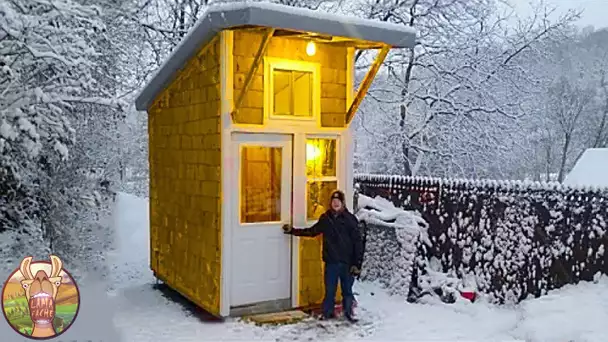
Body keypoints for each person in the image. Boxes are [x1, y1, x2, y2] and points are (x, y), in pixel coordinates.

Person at [282, 190, 363, 322]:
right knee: (329, 291)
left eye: (338, 201)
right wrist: (292, 231)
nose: (335, 203)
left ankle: (349, 313)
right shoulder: (326, 219)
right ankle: (327, 313)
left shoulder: (350, 220)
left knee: (347, 291)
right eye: (333, 201)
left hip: (347, 264)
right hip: (331, 262)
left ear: (343, 203)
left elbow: (358, 243)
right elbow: (312, 231)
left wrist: (357, 264)